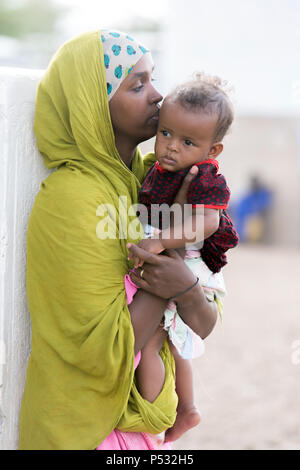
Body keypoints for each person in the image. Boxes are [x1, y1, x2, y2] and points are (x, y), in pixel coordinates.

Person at [19, 29, 219, 450]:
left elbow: (201, 316)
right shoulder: (73, 199)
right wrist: (175, 264)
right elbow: (104, 352)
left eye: (153, 78)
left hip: (143, 425)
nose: (159, 96)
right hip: (83, 431)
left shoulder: (148, 184)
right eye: (137, 84)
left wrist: (182, 279)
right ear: (93, 104)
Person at [126, 74, 239, 442]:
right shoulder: (159, 168)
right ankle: (188, 408)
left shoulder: (204, 175)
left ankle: (151, 412)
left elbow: (208, 221)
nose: (172, 147)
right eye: (166, 134)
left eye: (188, 141)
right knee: (172, 342)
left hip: (189, 260)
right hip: (173, 251)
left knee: (152, 343)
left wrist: (161, 241)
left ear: (213, 150)